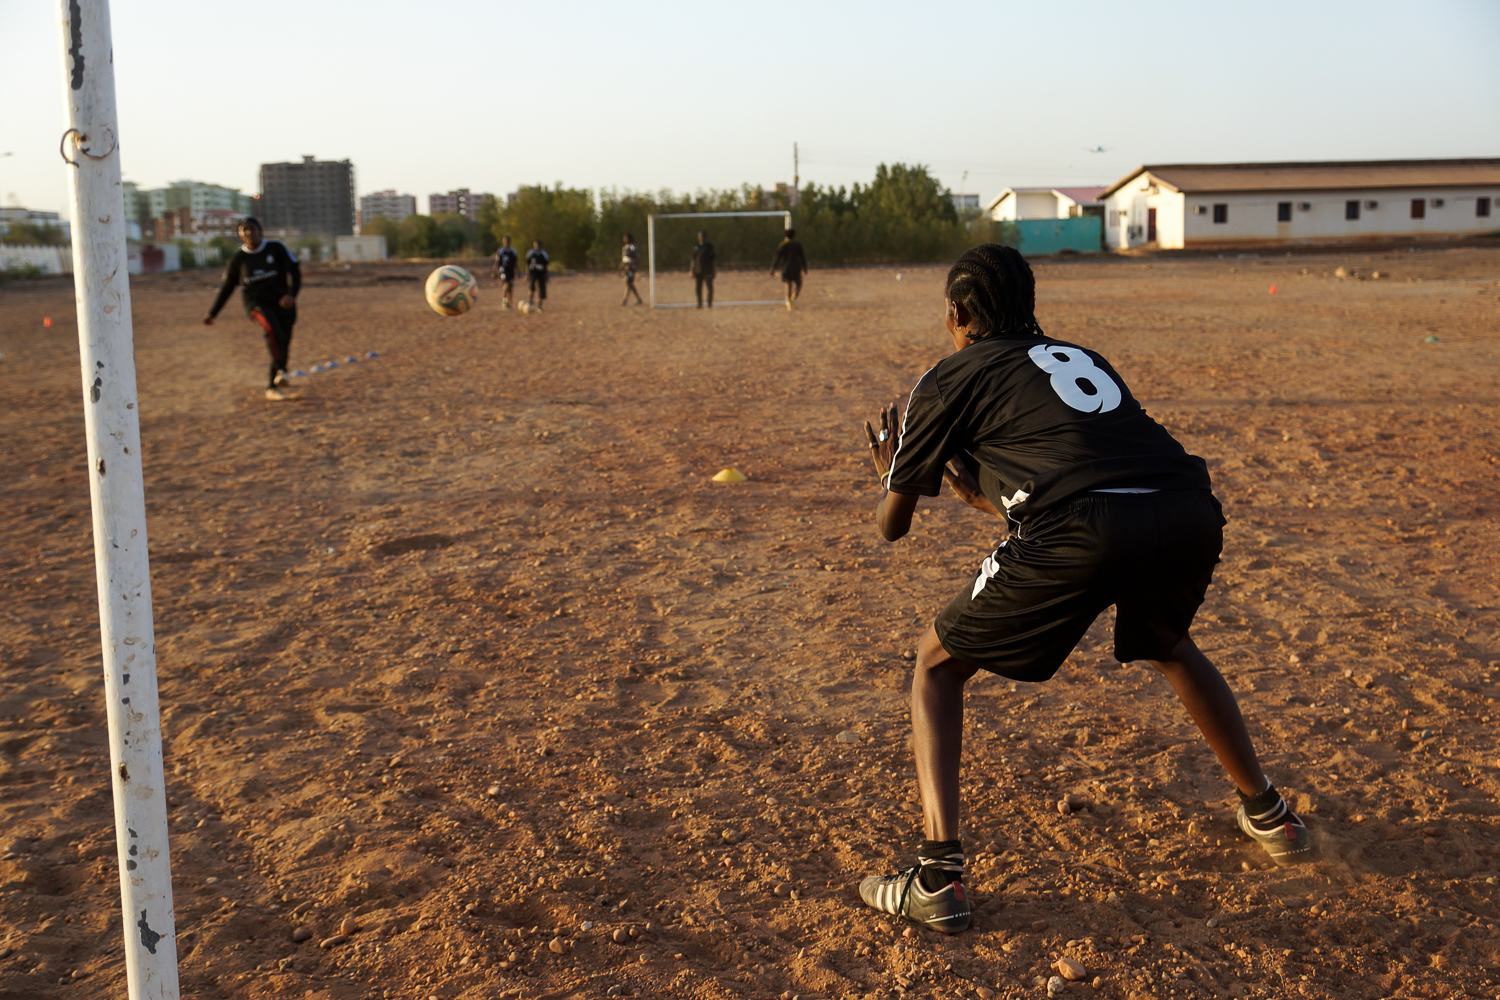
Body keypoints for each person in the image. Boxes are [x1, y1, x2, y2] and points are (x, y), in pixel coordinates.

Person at [857, 243, 1313, 935]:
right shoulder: (1083, 359)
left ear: (955, 313)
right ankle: (1272, 816)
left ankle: (937, 879)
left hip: (1083, 524)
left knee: (935, 667)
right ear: (1030, 305)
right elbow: (1087, 469)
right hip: (1187, 508)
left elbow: (893, 529)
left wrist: (891, 475)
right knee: (1169, 644)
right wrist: (980, 495)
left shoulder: (949, 376)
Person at [202, 217, 302, 401]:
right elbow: (227, 288)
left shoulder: (276, 248)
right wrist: (213, 313)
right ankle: (281, 370)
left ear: (259, 231)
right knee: (271, 330)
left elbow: (295, 271)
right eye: (244, 230)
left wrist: (291, 295)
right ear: (240, 236)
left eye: (252, 228)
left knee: (282, 342)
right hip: (255, 303)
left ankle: (273, 387)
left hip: (283, 302)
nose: (249, 232)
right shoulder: (237, 259)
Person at [770, 228, 808, 309]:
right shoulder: (797, 244)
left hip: (785, 268)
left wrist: (773, 268)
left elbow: (778, 257)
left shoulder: (782, 245)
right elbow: (802, 257)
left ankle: (788, 303)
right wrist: (805, 267)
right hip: (796, 267)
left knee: (788, 284)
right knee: (799, 283)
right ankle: (794, 298)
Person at [689, 230, 715, 308]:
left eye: (703, 236)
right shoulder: (696, 247)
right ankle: (699, 304)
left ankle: (709, 304)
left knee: (710, 288)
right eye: (700, 237)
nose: (701, 238)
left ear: (705, 237)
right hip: (698, 270)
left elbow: (713, 260)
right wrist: (691, 270)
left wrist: (714, 271)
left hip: (707, 270)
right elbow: (693, 259)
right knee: (698, 288)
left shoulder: (709, 247)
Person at [492, 236, 518, 309]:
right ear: (503, 242)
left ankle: (510, 302)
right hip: (503, 270)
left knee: (511, 286)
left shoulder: (513, 251)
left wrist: (518, 271)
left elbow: (515, 262)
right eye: (506, 241)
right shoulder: (501, 251)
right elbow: (497, 262)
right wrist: (494, 272)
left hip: (511, 270)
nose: (507, 242)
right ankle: (504, 300)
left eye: (508, 241)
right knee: (506, 284)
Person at [526, 239, 549, 311]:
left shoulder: (544, 254)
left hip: (541, 273)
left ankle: (540, 305)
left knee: (542, 288)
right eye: (535, 245)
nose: (537, 246)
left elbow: (546, 265)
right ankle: (530, 301)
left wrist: (547, 275)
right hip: (533, 272)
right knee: (532, 286)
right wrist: (527, 274)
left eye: (538, 245)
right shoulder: (531, 253)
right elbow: (527, 264)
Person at [621, 232, 643, 306]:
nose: (625, 239)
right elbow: (624, 259)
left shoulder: (633, 246)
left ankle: (625, 300)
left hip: (631, 267)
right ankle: (638, 299)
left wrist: (630, 265)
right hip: (625, 267)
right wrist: (620, 268)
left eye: (626, 238)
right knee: (629, 283)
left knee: (628, 282)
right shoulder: (624, 248)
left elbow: (637, 257)